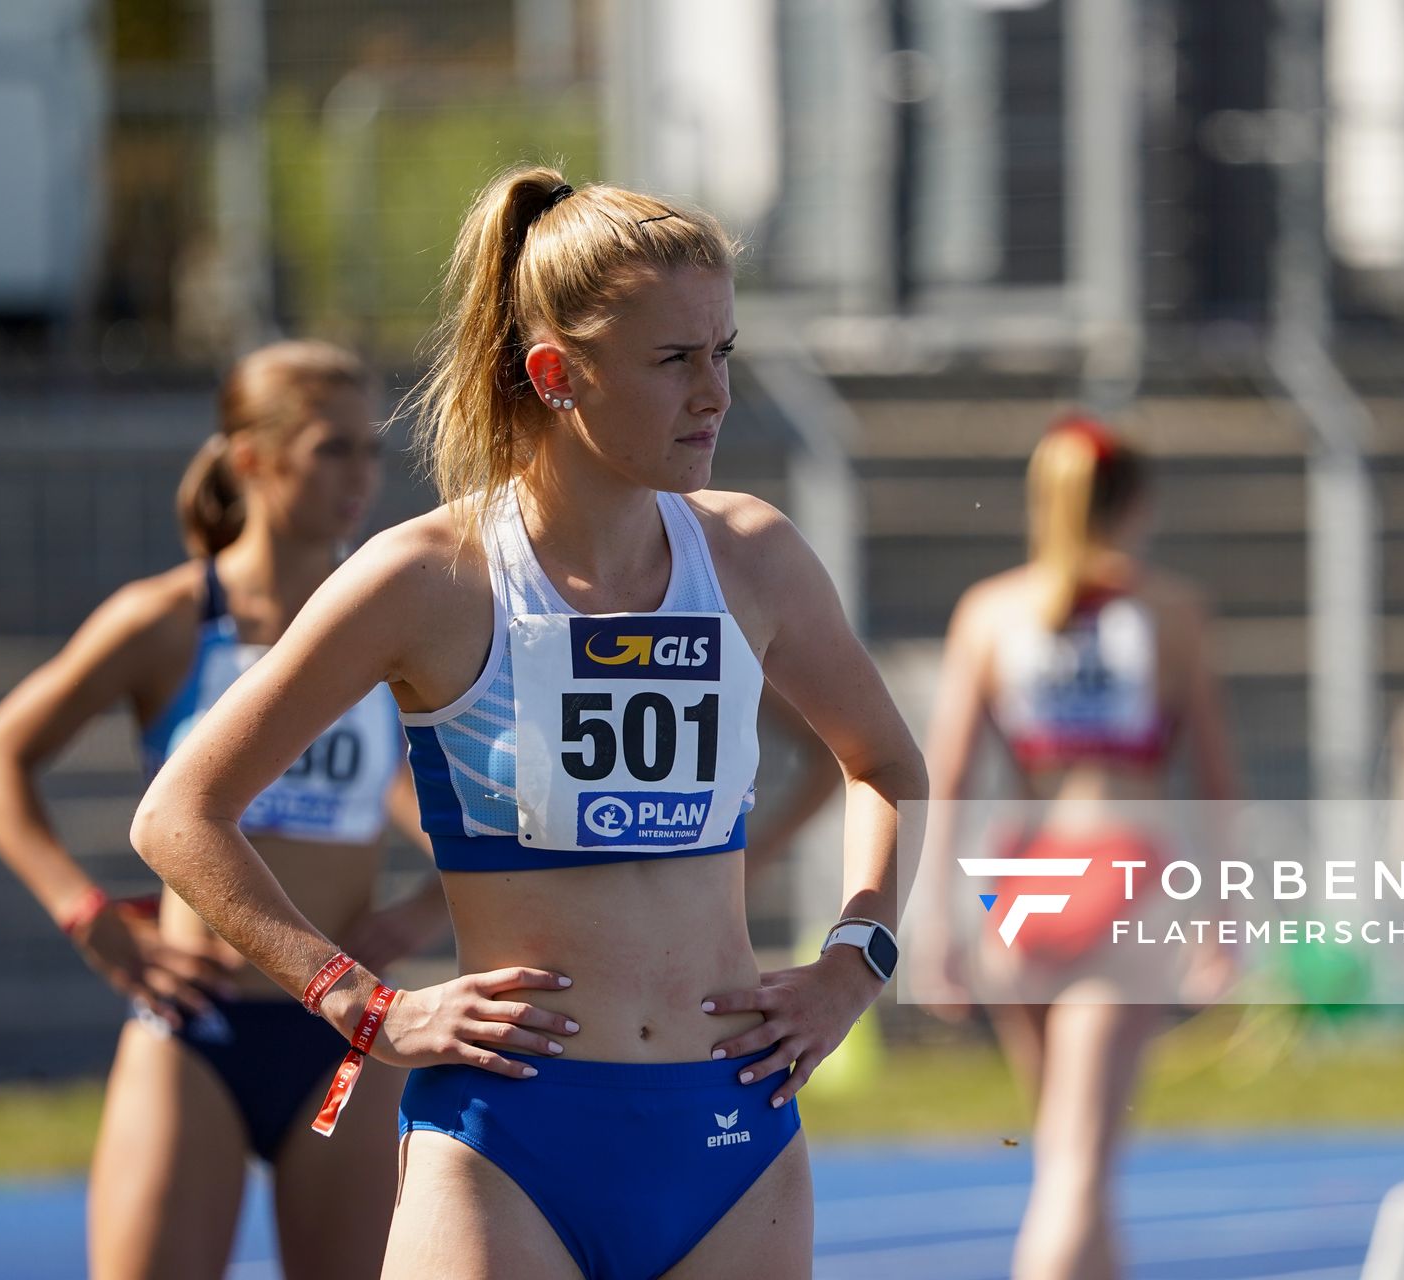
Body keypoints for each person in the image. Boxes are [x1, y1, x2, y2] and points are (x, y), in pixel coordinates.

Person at [130, 170, 925, 1280]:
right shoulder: (428, 578)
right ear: (556, 374)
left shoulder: (752, 555)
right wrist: (360, 1002)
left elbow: (888, 764)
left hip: (731, 1132)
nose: (716, 394)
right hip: (508, 1145)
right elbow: (180, 813)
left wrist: (856, 961)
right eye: (674, 360)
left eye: (724, 352)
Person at [0, 339, 452, 1280]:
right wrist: (84, 912)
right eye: (329, 449)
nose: (360, 477)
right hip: (198, 1026)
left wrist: (425, 909)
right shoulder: (169, 619)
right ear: (250, 458)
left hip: (343, 1031)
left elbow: (460, 812)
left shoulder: (392, 622)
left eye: (369, 449)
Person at [916, 416, 1238, 1280]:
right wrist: (1223, 916)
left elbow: (943, 779)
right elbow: (1213, 780)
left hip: (1020, 884)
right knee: (1078, 1168)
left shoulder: (988, 611)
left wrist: (939, 924)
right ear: (1135, 505)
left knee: (1070, 1151)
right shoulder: (1167, 611)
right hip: (1125, 870)